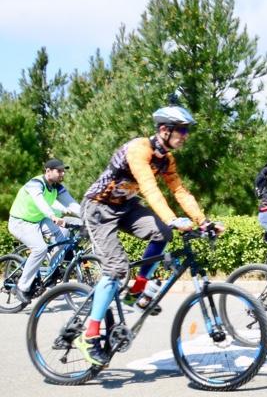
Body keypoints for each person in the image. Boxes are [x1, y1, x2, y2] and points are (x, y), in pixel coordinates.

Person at [76, 106, 214, 367]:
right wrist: (173, 218)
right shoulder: (139, 149)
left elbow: (180, 191)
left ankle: (136, 289)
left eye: (187, 131)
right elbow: (150, 188)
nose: (186, 135)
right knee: (115, 269)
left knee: (161, 233)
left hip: (125, 207)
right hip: (98, 208)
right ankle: (90, 334)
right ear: (164, 130)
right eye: (182, 130)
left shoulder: (166, 159)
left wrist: (202, 221)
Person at [6, 159, 82, 303]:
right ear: (48, 171)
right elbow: (39, 201)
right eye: (59, 170)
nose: (62, 173)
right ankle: (22, 287)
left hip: (38, 220)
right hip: (20, 222)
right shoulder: (36, 184)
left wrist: (89, 217)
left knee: (63, 237)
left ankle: (52, 273)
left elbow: (72, 204)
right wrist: (52, 216)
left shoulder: (57, 187)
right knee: (40, 249)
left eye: (63, 170)